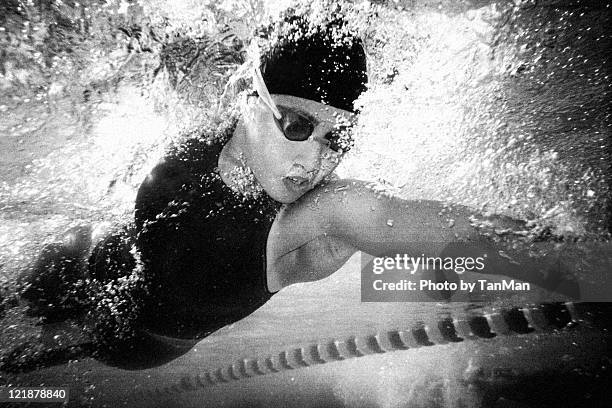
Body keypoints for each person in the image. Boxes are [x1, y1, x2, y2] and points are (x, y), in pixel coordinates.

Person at [20, 11, 582, 366]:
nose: (315, 159)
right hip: (94, 252)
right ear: (249, 101)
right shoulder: (203, 111)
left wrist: (582, 262)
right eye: (296, 126)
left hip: (134, 341)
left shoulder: (317, 221)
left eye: (339, 138)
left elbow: (432, 229)